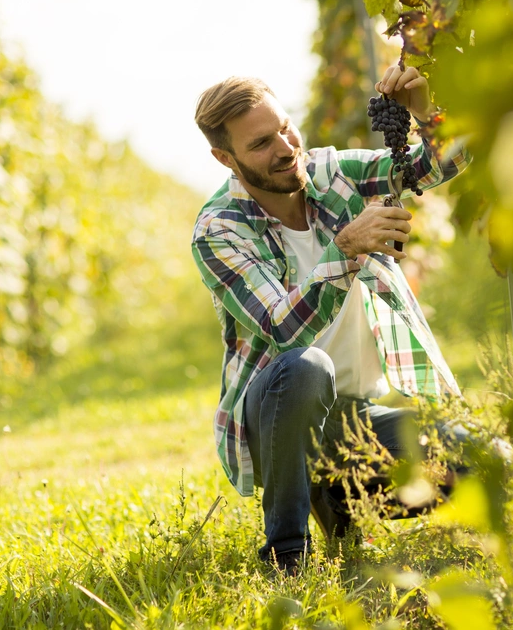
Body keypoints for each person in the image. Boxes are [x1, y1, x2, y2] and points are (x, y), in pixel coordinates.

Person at [190, 66, 470, 573]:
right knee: (305, 367)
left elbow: (436, 167)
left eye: (284, 127)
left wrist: (428, 111)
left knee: (478, 460)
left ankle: (339, 501)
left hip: (355, 416)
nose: (284, 147)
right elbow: (282, 329)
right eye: (260, 144)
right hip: (277, 412)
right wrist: (345, 249)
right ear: (225, 159)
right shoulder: (218, 230)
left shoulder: (331, 173)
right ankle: (287, 555)